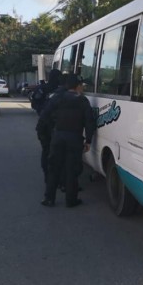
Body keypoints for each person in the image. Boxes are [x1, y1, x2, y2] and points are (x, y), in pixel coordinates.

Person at [39, 74, 96, 207]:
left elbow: (44, 115)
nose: (82, 88)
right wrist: (88, 141)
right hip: (74, 139)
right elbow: (89, 122)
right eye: (82, 86)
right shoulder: (82, 101)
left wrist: (50, 132)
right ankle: (71, 200)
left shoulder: (57, 98)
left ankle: (49, 199)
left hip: (58, 137)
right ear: (78, 86)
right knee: (72, 170)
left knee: (53, 168)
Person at [36, 71, 66, 184]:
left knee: (47, 152)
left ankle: (49, 179)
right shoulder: (62, 91)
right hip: (54, 126)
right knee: (58, 155)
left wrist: (41, 112)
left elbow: (35, 103)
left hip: (44, 124)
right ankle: (59, 181)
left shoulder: (43, 88)